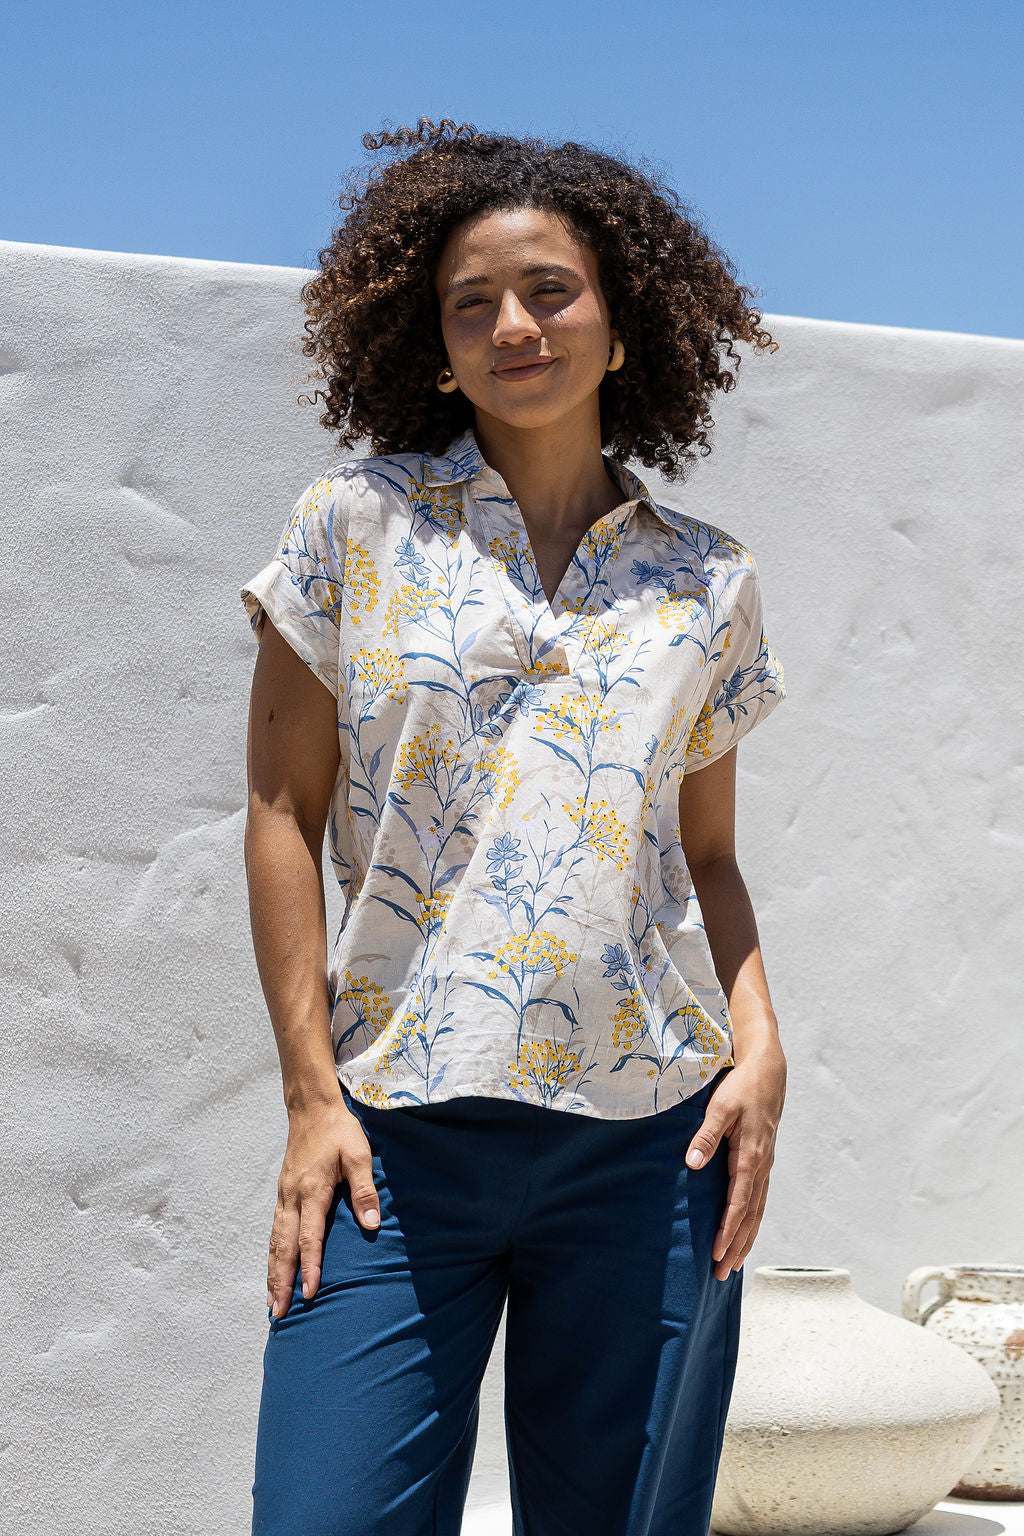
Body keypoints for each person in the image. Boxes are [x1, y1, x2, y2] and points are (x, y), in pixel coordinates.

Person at [240, 117, 788, 1536]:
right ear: (433, 345)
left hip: (650, 1141)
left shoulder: (706, 581)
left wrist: (766, 1047)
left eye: (550, 289)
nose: (511, 323)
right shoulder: (353, 527)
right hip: (394, 1139)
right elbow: (282, 814)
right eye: (470, 303)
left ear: (623, 326)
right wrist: (311, 1096)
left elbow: (706, 858)